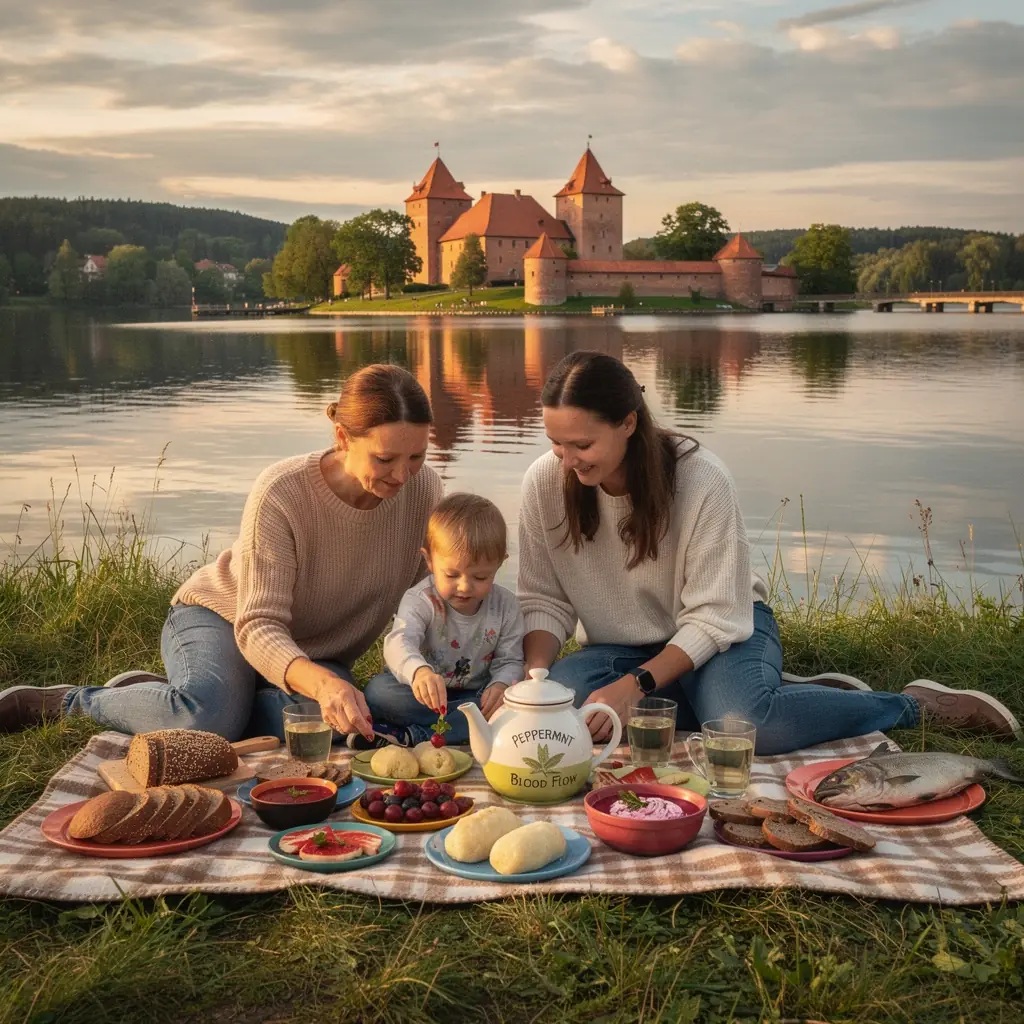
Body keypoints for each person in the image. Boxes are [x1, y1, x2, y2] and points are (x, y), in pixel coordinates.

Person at [516, 351, 1021, 754]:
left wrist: (637, 685)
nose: (567, 460)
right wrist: (534, 684)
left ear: (627, 423)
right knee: (566, 707)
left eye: (582, 445)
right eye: (556, 443)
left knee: (741, 725)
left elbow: (716, 617)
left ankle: (912, 706)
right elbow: (544, 598)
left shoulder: (700, 479)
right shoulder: (544, 482)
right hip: (621, 647)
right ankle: (788, 697)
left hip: (725, 632)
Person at [0, 364, 444, 743]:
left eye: (416, 457)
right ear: (344, 437)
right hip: (225, 619)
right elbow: (259, 625)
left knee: (322, 726)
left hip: (315, 656)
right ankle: (71, 702)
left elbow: (428, 599)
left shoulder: (424, 491)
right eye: (385, 459)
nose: (402, 476)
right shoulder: (282, 492)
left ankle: (177, 696)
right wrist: (323, 683)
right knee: (209, 721)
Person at [362, 493, 524, 746]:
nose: (464, 586)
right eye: (451, 574)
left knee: (509, 706)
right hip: (422, 694)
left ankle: (412, 735)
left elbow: (511, 659)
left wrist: (501, 685)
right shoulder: (421, 599)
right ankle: (471, 728)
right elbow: (399, 641)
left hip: (476, 693)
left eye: (480, 577)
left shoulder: (506, 606)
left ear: (499, 564)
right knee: (378, 692)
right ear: (429, 560)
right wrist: (419, 672)